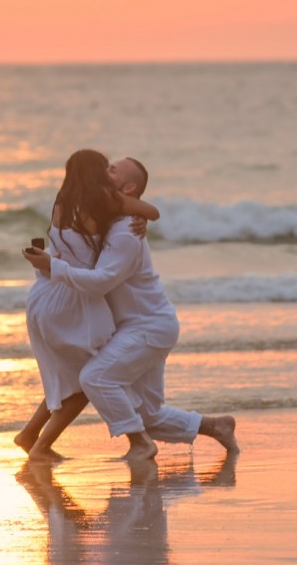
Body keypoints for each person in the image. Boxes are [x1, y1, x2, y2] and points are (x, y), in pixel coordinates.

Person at [24, 156, 239, 461]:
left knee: (94, 378)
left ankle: (138, 445)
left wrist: (54, 267)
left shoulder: (126, 230)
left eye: (112, 170)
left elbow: (102, 281)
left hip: (147, 326)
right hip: (133, 327)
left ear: (128, 188)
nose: (104, 171)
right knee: (148, 416)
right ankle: (216, 426)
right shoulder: (109, 215)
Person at [15, 149, 159, 462]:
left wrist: (137, 220)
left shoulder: (62, 202)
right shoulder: (106, 202)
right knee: (88, 379)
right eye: (106, 169)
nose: (109, 173)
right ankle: (43, 448)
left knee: (72, 375)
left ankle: (29, 435)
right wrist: (140, 218)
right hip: (73, 299)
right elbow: (152, 210)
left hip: (43, 295)